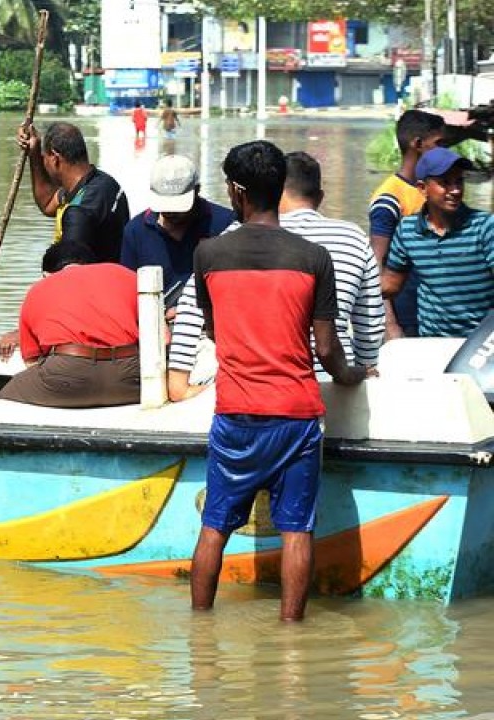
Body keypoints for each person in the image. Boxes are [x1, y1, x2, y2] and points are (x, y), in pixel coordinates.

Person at [188, 140, 370, 622]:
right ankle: (292, 635)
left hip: (236, 414)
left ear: (238, 191)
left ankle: (199, 630)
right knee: (296, 531)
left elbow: (212, 328)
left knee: (214, 528)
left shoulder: (208, 254)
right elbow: (328, 349)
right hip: (296, 413)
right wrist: (353, 375)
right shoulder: (313, 257)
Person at [166, 151, 386, 401]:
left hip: (245, 390)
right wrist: (359, 372)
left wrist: (179, 386)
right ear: (320, 197)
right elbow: (369, 325)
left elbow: (192, 316)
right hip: (329, 387)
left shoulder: (225, 243)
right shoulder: (352, 239)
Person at [0, 241, 140, 408]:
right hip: (131, 376)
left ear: (46, 274)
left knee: (4, 401)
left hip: (67, 375)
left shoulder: (39, 288)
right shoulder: (126, 274)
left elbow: (32, 361)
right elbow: (162, 338)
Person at [383, 147, 494, 338]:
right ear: (422, 188)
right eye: (445, 183)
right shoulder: (407, 230)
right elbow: (389, 287)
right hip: (432, 342)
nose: (456, 190)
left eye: (459, 181)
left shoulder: (484, 226)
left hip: (480, 345)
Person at [369, 109, 446, 339]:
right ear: (418, 144)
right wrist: (390, 325)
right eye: (439, 143)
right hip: (406, 315)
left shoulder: (433, 191)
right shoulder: (389, 198)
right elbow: (376, 266)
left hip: (434, 316)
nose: (444, 151)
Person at [119, 154, 234, 295]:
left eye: (178, 206)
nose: (171, 212)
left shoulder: (225, 224)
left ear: (197, 191)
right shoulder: (135, 231)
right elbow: (127, 290)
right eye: (166, 205)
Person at [17, 121, 130, 262]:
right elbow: (47, 203)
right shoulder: (106, 182)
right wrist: (34, 153)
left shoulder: (78, 212)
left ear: (55, 158)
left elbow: (69, 270)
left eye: (44, 158)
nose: (44, 163)